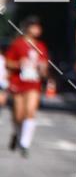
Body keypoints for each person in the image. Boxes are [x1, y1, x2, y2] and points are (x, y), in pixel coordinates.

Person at [6, 15, 49, 157]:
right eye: (34, 26)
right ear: (27, 28)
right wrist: (19, 64)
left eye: (39, 26)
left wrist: (43, 68)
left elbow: (45, 67)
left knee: (30, 111)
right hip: (18, 83)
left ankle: (25, 144)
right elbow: (8, 63)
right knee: (18, 115)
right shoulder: (17, 44)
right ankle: (17, 134)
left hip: (33, 84)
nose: (38, 29)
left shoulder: (41, 46)